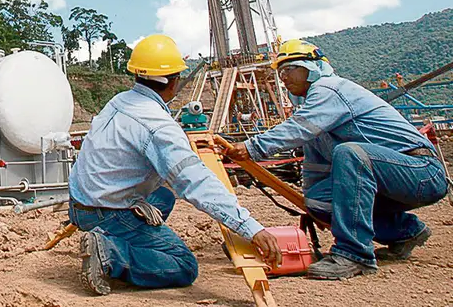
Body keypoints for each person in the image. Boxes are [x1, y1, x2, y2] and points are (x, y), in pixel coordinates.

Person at [69, 34, 281, 294]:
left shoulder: (120, 101)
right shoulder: (157, 126)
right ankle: (111, 253)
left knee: (165, 196)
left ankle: (117, 237)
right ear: (174, 82)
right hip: (106, 212)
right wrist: (250, 228)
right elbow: (195, 182)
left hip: (80, 204)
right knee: (183, 266)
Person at [226, 40, 450, 280]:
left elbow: (298, 128)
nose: (283, 78)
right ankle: (404, 232)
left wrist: (253, 147)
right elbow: (315, 169)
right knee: (320, 202)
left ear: (310, 67)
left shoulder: (328, 89)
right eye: (280, 72)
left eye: (289, 70)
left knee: (350, 153)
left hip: (422, 171)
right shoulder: (315, 115)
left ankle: (354, 255)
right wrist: (313, 205)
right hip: (390, 176)